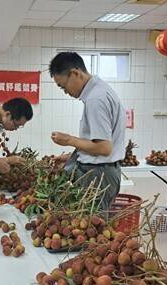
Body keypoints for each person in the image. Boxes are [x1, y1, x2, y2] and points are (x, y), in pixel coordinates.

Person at [48, 52, 126, 212]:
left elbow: (104, 148)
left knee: (91, 228)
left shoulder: (96, 99)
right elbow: (98, 143)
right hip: (100, 172)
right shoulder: (100, 91)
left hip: (98, 175)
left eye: (63, 86)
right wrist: (73, 156)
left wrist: (69, 140)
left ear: (75, 73)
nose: (65, 92)